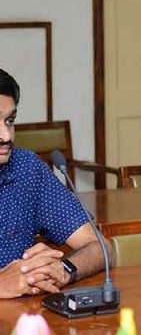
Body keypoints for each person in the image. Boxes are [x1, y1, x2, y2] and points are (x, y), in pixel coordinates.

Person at [0, 68, 111, 299]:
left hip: (23, 316)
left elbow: (101, 247)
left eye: (9, 121)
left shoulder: (26, 169)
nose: (6, 136)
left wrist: (63, 270)